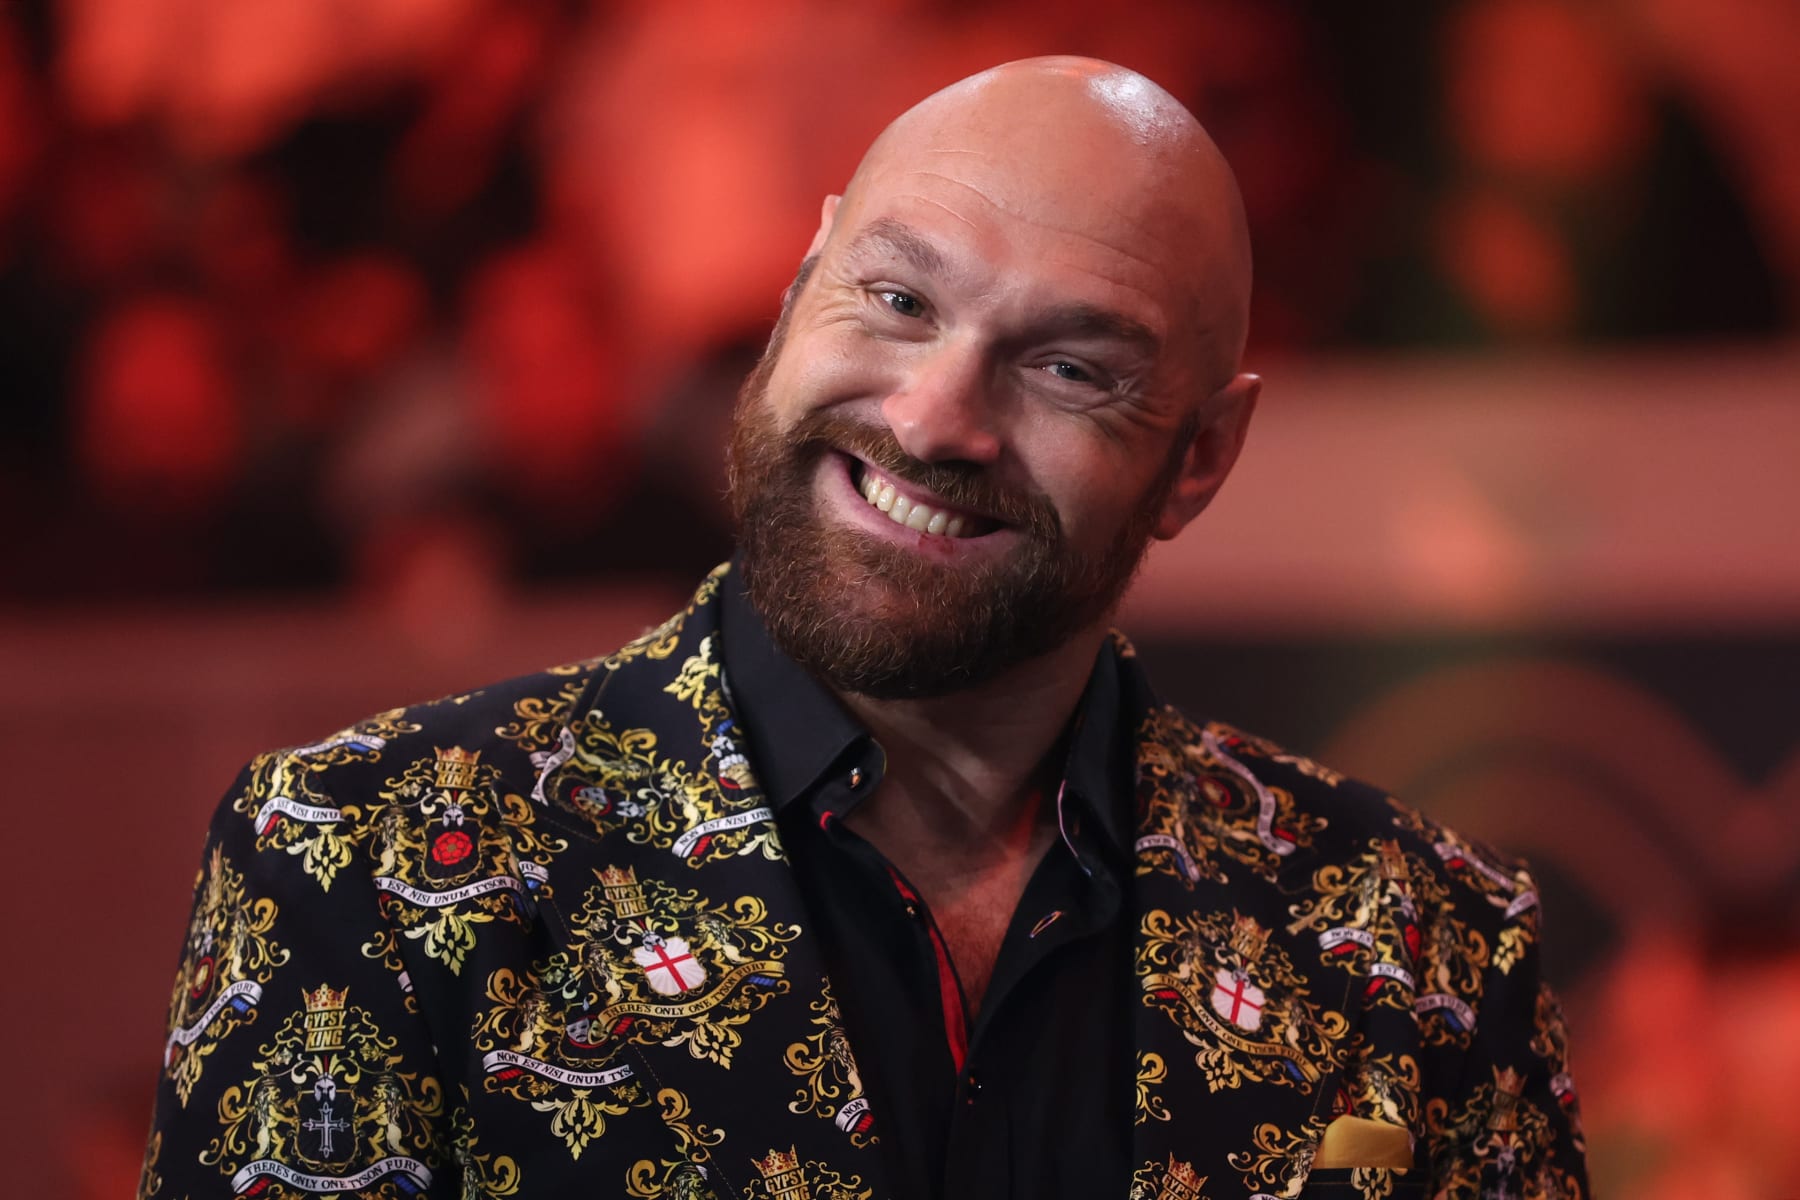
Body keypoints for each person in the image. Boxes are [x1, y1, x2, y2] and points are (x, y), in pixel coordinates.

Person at [142, 57, 1587, 1200]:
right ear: (798, 283)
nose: (934, 416)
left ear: (1200, 459)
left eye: (1071, 367)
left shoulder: (1424, 948)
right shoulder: (360, 867)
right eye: (895, 298)